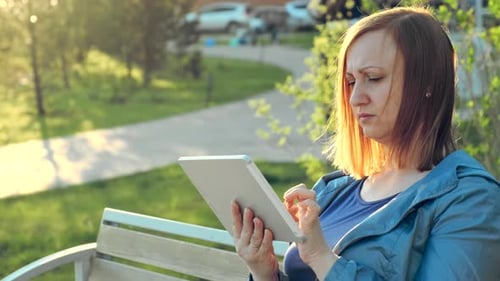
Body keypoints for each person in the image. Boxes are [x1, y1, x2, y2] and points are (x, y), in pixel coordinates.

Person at [231, 6, 500, 281]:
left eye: (373, 78)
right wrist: (264, 272)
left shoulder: (471, 199)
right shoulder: (332, 191)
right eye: (350, 82)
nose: (355, 98)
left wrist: (322, 258)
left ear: (427, 82)